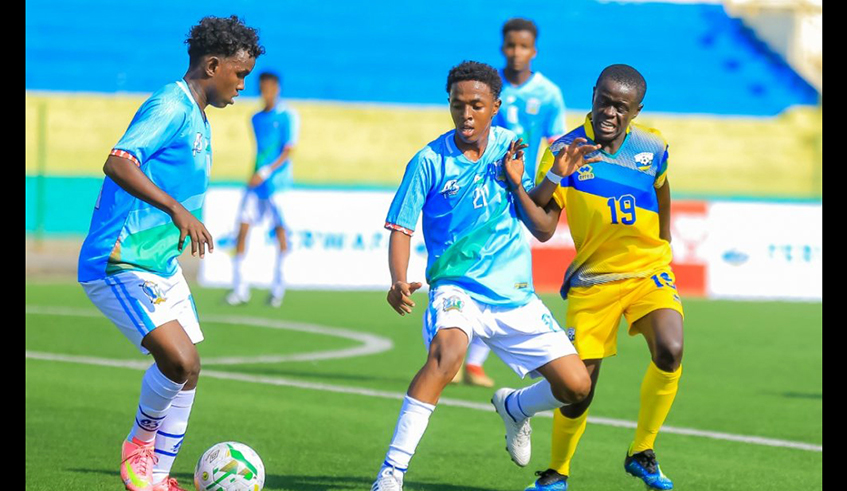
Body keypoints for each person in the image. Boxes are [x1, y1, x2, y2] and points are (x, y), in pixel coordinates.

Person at [370, 60, 592, 491]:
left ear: (495, 105)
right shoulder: (428, 160)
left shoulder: (511, 146)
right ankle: (391, 474)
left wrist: (549, 177)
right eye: (458, 106)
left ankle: (517, 407)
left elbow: (534, 211)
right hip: (457, 289)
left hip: (514, 292)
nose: (466, 114)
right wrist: (399, 278)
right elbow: (401, 227)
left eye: (476, 105)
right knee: (446, 356)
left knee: (577, 385)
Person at [76, 16, 263, 491]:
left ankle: (157, 477)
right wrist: (177, 209)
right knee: (177, 361)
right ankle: (139, 445)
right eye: (239, 74)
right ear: (213, 64)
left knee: (191, 369)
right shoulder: (170, 105)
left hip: (159, 264)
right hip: (119, 259)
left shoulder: (198, 116)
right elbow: (118, 161)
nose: (243, 85)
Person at [523, 64, 684, 491]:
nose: (611, 113)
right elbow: (542, 225)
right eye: (604, 102)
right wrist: (553, 173)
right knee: (579, 389)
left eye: (622, 107)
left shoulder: (654, 144)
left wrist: (664, 244)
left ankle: (642, 451)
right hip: (593, 282)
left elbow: (664, 190)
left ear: (636, 111)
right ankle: (557, 471)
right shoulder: (565, 149)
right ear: (593, 94)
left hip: (648, 272)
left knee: (671, 348)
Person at [462, 17, 568, 388]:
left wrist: (550, 183)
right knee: (482, 264)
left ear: (534, 50)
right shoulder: (489, 88)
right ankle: (466, 352)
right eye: (511, 45)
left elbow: (556, 144)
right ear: (502, 47)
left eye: (523, 46)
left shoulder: (549, 94)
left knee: (505, 267)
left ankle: (475, 357)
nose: (516, 52)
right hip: (481, 187)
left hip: (521, 187)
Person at [226, 71, 299, 307]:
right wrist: (256, 173)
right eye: (262, 87)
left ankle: (278, 289)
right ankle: (240, 288)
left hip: (277, 185)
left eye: (269, 87)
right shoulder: (255, 118)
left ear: (277, 88)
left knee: (280, 232)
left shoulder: (288, 115)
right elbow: (261, 150)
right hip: (255, 184)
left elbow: (287, 151)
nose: (265, 92)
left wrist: (266, 172)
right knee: (243, 228)